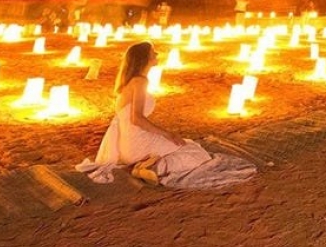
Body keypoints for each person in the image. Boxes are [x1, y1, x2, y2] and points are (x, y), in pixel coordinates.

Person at [77, 42, 256, 188]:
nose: (157, 54)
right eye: (153, 52)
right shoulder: (140, 81)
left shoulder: (131, 82)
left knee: (188, 145)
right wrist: (167, 134)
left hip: (128, 144)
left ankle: (147, 165)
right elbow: (136, 118)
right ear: (144, 58)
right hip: (136, 143)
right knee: (197, 153)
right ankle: (153, 168)